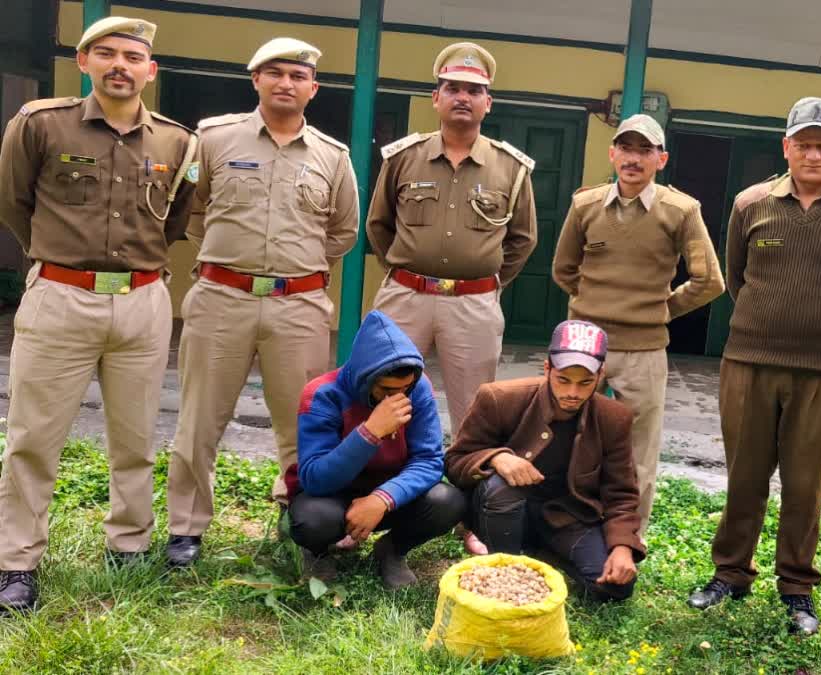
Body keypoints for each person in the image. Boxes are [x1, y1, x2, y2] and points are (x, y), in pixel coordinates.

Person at [0, 16, 198, 612]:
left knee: (136, 437)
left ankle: (129, 544)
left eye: (133, 56)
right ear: (83, 61)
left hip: (142, 302)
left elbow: (179, 217)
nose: (120, 65)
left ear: (150, 70)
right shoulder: (40, 124)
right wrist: (55, 258)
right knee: (34, 439)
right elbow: (13, 201)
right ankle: (16, 563)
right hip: (61, 296)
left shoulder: (177, 143)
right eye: (106, 53)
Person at [686, 97, 821, 636]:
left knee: (806, 485)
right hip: (750, 363)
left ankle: (797, 589)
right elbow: (737, 279)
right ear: (786, 147)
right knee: (746, 476)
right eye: (803, 143)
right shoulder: (751, 203)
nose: (813, 153)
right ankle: (730, 573)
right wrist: (768, 323)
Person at [164, 38, 359, 567]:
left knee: (303, 425)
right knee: (200, 419)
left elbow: (343, 231)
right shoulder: (214, 138)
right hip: (221, 296)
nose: (286, 83)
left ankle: (299, 519)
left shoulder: (332, 157)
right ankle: (186, 530)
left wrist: (295, 265)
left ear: (313, 88)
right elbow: (191, 209)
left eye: (298, 75)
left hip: (298, 305)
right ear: (255, 81)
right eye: (274, 73)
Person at [552, 113, 724, 537]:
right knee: (565, 437)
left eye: (644, 150)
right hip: (584, 345)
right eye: (626, 148)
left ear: (660, 159)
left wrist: (661, 310)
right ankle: (561, 527)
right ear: (612, 154)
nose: (633, 158)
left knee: (638, 453)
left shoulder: (680, 211)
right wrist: (592, 305)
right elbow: (563, 269)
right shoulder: (585, 205)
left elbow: (709, 281)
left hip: (644, 349)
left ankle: (628, 539)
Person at [365, 41, 536, 437]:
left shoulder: (510, 168)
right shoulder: (404, 158)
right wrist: (405, 269)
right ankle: (389, 489)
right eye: (453, 88)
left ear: (488, 103)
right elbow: (379, 224)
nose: (463, 97)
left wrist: (485, 281)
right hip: (405, 299)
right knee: (385, 402)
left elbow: (522, 239)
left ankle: (465, 493)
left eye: (474, 91)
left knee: (475, 413)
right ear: (436, 98)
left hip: (473, 304)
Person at [445, 320, 643, 602]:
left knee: (614, 588)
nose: (573, 393)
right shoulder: (500, 398)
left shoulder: (614, 418)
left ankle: (540, 556)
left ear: (601, 375)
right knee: (504, 487)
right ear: (547, 367)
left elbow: (621, 492)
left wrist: (622, 546)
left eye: (585, 382)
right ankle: (508, 571)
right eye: (563, 379)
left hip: (566, 519)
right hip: (499, 511)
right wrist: (498, 458)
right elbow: (455, 461)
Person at [284, 310, 465, 587]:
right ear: (363, 378)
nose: (399, 397)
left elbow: (428, 460)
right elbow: (315, 479)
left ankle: (391, 551)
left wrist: (382, 498)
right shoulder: (322, 394)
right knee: (311, 520)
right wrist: (370, 433)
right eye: (387, 390)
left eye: (406, 388)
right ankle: (318, 553)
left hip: (391, 492)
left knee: (448, 501)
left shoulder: (418, 389)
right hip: (334, 497)